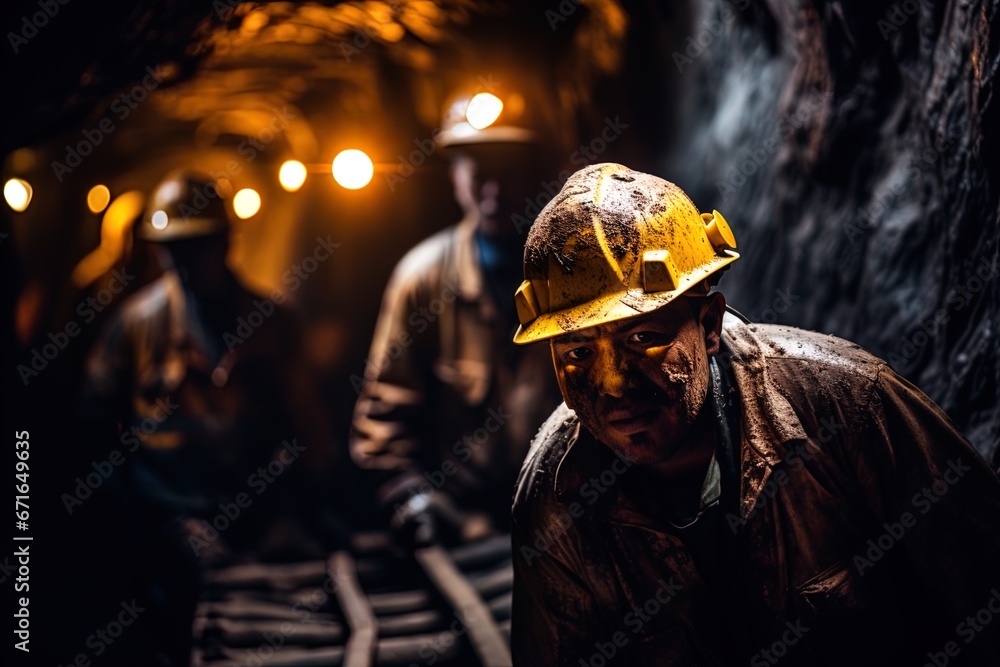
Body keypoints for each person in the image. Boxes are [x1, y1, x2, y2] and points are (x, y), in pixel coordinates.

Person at [510, 163, 1000, 666]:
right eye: (577, 354)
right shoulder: (555, 495)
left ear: (709, 324)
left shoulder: (847, 408)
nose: (614, 383)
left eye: (644, 339)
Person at [79, 170, 342, 665]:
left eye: (194, 245)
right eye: (170, 247)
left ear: (224, 242)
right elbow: (91, 429)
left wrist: (308, 511)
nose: (180, 261)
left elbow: (310, 428)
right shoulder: (135, 326)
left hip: (260, 526)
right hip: (166, 529)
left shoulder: (271, 322)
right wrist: (139, 516)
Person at [350, 86, 565, 546]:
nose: (494, 189)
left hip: (569, 515)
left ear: (538, 171)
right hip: (461, 522)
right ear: (454, 176)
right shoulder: (422, 279)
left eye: (509, 171)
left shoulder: (582, 268)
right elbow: (382, 419)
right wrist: (412, 496)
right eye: (478, 171)